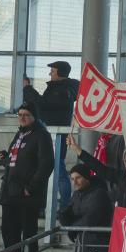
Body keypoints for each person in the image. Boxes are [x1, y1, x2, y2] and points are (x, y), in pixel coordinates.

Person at [0, 104, 54, 252]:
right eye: (20, 114)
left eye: (26, 115)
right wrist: (5, 159)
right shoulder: (20, 134)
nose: (22, 118)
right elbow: (17, 161)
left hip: (27, 195)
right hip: (10, 192)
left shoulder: (41, 135)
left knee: (28, 233)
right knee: (9, 231)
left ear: (34, 117)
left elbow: (46, 164)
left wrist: (31, 187)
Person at [23, 61, 80, 210]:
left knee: (58, 171)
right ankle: (49, 206)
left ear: (60, 73)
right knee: (49, 170)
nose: (50, 73)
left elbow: (42, 104)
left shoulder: (62, 91)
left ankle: (64, 207)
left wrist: (27, 88)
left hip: (55, 137)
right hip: (51, 136)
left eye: (53, 71)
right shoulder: (62, 89)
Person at [57, 155, 113, 252]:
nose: (74, 182)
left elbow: (90, 219)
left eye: (78, 178)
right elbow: (70, 212)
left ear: (87, 178)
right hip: (84, 244)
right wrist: (63, 216)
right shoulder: (77, 194)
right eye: (72, 179)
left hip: (99, 245)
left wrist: (72, 229)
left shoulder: (99, 194)